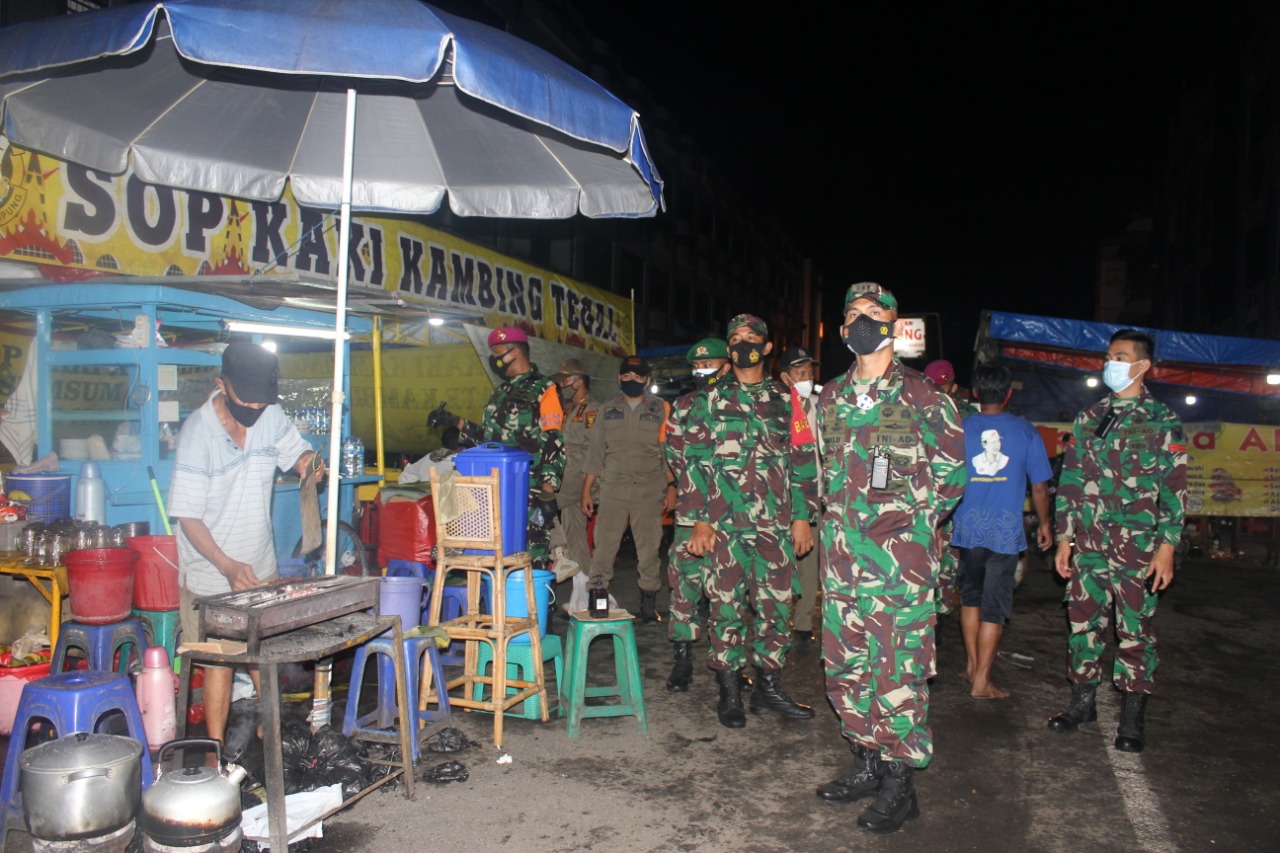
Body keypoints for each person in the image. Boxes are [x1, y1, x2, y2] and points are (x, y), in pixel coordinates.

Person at [815, 283, 966, 835]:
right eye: (852, 313)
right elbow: (824, 475)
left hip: (898, 568)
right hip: (840, 564)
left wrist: (910, 528)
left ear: (894, 326)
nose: (861, 321)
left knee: (898, 672)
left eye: (873, 314)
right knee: (845, 667)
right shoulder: (827, 397)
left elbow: (952, 478)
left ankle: (902, 784)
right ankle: (867, 763)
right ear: (840, 328)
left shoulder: (925, 396)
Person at [169, 341, 324, 746]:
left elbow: (296, 453)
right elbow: (187, 517)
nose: (255, 411)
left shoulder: (269, 413)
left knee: (264, 656)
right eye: (247, 402)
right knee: (221, 659)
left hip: (259, 561)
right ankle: (213, 751)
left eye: (261, 404)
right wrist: (226, 565)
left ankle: (269, 733)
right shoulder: (196, 434)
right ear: (221, 384)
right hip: (211, 570)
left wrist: (309, 463)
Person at [1049, 329, 1187, 753]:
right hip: (1088, 544)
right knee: (1083, 625)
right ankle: (1082, 703)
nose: (1111, 362)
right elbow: (1071, 480)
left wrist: (1167, 546)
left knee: (1135, 632)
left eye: (1121, 356)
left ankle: (1131, 717)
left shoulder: (1163, 421)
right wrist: (1063, 538)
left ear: (1142, 365)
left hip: (1137, 548)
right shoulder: (1090, 418)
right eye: (1109, 356)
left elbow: (1175, 487)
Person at [681, 314, 818, 727]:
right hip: (724, 526)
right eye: (735, 339)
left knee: (777, 608)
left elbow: (801, 460)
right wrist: (699, 521)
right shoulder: (710, 398)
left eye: (751, 337)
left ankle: (768, 689)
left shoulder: (786, 398)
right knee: (725, 608)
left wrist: (802, 517)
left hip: (775, 527)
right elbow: (695, 463)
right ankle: (729, 691)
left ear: (767, 345)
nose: (743, 344)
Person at [951, 362, 1053, 700]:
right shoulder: (1025, 432)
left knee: (970, 599)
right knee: (994, 608)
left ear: (975, 393)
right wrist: (1045, 524)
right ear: (1009, 394)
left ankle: (970, 665)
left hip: (967, 529)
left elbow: (946, 481)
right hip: (1005, 534)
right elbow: (1039, 487)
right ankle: (981, 682)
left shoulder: (959, 428)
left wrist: (939, 524)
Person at [433, 326, 565, 565]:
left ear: (516, 352)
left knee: (531, 548)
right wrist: (455, 421)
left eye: (498, 352)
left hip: (530, 483)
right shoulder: (500, 393)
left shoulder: (545, 388)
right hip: (495, 484)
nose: (495, 358)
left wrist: (548, 488)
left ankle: (536, 599)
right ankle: (502, 599)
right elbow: (489, 441)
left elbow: (554, 438)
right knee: (498, 547)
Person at [581, 355, 674, 624]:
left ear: (647, 380)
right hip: (613, 487)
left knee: (649, 548)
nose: (632, 379)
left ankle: (648, 603)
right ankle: (598, 600)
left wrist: (671, 486)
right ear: (619, 378)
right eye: (627, 375)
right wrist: (587, 490)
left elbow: (666, 451)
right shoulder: (607, 409)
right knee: (604, 547)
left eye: (638, 375)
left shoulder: (660, 409)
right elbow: (595, 453)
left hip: (649, 487)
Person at [664, 337, 731, 691]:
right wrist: (692, 489)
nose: (702, 371)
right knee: (684, 587)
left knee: (728, 593)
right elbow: (674, 456)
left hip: (733, 515)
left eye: (710, 365)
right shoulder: (683, 406)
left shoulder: (740, 402)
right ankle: (683, 660)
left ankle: (727, 667)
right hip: (691, 514)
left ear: (727, 366)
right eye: (697, 367)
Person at [779, 345, 822, 647]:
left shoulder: (822, 406)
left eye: (809, 372)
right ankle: (778, 619)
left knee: (809, 561)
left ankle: (804, 624)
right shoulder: (776, 407)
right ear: (785, 378)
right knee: (780, 562)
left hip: (814, 495)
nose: (807, 377)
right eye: (799, 373)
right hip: (781, 498)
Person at [550, 359, 599, 586]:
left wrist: (589, 487)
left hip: (579, 477)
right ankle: (592, 591)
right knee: (576, 538)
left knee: (540, 503)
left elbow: (596, 450)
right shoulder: (568, 409)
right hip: (566, 475)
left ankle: (558, 553)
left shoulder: (593, 409)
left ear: (578, 382)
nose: (561, 385)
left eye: (565, 380)